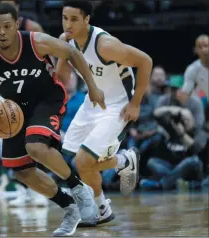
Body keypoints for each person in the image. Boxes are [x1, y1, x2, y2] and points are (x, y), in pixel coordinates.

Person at [0, 3, 106, 236]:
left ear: (17, 25)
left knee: (36, 146)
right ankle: (69, 207)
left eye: (7, 26)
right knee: (21, 172)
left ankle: (79, 188)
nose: (2, 32)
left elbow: (72, 53)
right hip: (15, 110)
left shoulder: (35, 41)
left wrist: (93, 87)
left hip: (47, 99)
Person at [56, 1, 152, 226]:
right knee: (74, 161)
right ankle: (104, 207)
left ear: (87, 20)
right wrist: (61, 52)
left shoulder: (105, 45)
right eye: (64, 18)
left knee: (84, 160)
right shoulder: (67, 40)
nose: (67, 24)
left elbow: (145, 61)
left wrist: (136, 103)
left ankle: (122, 161)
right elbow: (63, 78)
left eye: (74, 19)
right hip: (93, 101)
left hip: (117, 105)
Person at [177, 34, 209, 103]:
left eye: (206, 46)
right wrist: (181, 96)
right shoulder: (192, 69)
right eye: (200, 47)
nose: (203, 49)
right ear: (196, 50)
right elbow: (185, 93)